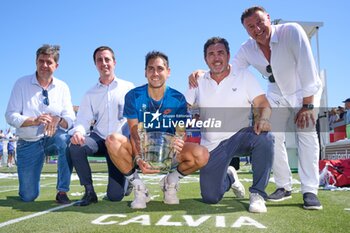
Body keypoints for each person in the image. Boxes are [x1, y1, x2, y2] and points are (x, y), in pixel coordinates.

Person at [105, 51, 209, 209]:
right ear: (145, 72)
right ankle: (139, 188)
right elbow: (134, 131)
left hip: (169, 152)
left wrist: (179, 142)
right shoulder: (133, 96)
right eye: (151, 69)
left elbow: (181, 131)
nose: (155, 73)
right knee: (112, 140)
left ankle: (170, 181)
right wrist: (139, 157)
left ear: (168, 72)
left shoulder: (178, 98)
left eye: (160, 68)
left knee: (201, 154)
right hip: (141, 150)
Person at [186, 37, 274, 213]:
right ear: (205, 59)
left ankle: (257, 194)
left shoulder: (244, 76)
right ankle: (230, 176)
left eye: (220, 53)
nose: (216, 58)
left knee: (265, 138)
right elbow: (185, 108)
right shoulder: (197, 80)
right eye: (211, 54)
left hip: (239, 137)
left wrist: (263, 119)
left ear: (228, 55)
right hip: (211, 146)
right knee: (210, 197)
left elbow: (263, 102)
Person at [5, 44, 75, 203]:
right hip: (28, 142)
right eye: (41, 61)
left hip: (52, 138)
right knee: (28, 196)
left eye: (49, 62)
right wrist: (33, 120)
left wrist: (59, 119)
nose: (44, 65)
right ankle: (27, 189)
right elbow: (10, 115)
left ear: (56, 66)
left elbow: (70, 116)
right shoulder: (21, 84)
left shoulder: (63, 87)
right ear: (36, 62)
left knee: (65, 140)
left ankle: (62, 192)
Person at [68, 46, 134, 206]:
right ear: (95, 64)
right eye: (99, 60)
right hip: (99, 139)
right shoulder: (90, 93)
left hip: (118, 143)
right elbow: (82, 120)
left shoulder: (129, 88)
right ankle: (89, 192)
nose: (104, 63)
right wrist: (78, 132)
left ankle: (129, 178)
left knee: (115, 196)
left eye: (107, 59)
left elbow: (136, 120)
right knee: (75, 146)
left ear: (114, 62)